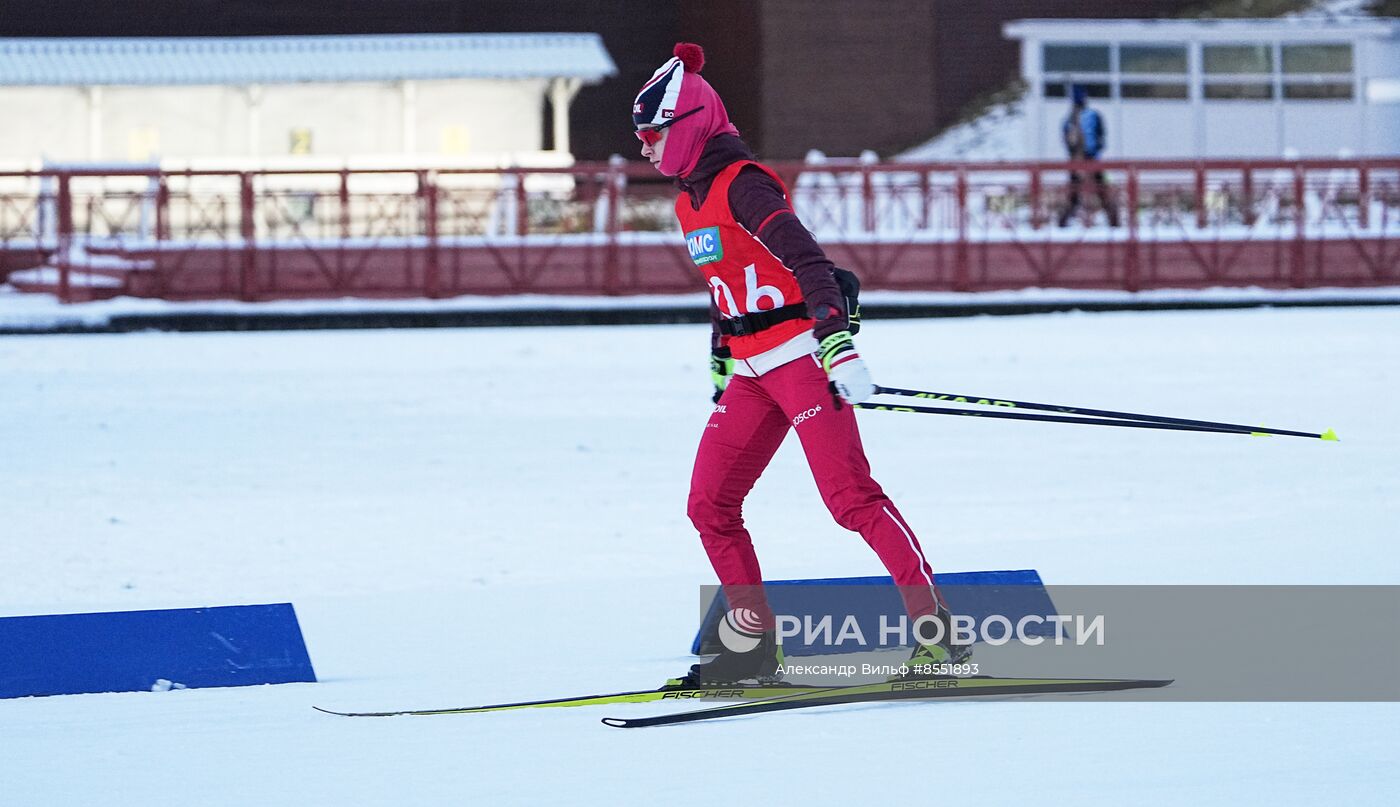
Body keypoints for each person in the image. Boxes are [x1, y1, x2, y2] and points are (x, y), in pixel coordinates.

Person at [632, 43, 969, 686]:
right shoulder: (687, 202)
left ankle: (940, 637)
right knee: (710, 503)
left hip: (802, 358)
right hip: (752, 370)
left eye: (652, 134)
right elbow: (723, 286)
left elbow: (812, 266)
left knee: (850, 499)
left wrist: (838, 344)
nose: (646, 148)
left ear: (687, 126)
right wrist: (718, 358)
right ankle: (754, 646)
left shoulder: (745, 184)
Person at [1058, 84, 1120, 227]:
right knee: (1080, 192)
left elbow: (1098, 137)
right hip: (1083, 160)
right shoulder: (1073, 119)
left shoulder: (1079, 118)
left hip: (1087, 160)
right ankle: (1112, 221)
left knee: (1095, 190)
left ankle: (1112, 221)